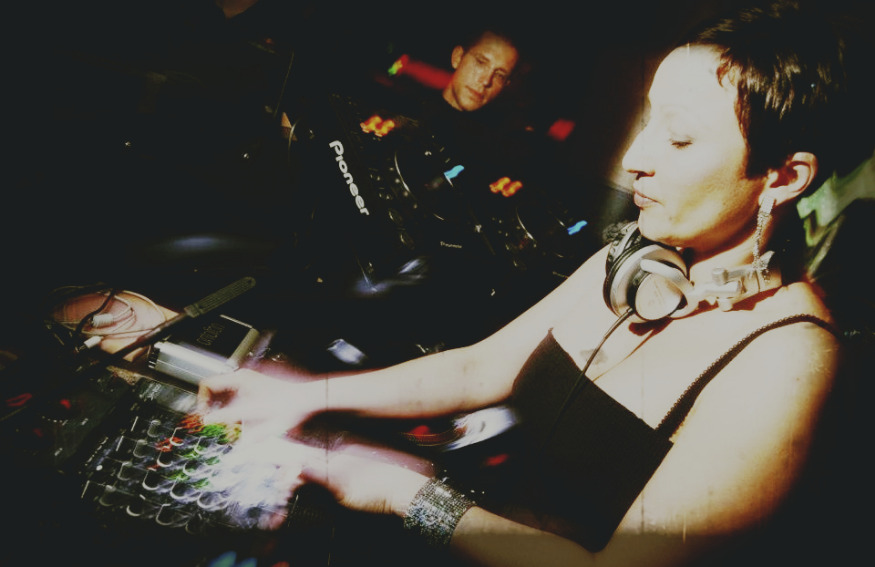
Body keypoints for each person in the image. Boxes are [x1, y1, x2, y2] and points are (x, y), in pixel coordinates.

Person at [195, 1, 866, 565]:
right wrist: (304, 394)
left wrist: (406, 493)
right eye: (648, 121)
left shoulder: (788, 361)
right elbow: (479, 367)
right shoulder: (637, 257)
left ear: (783, 177)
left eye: (680, 139)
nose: (635, 158)